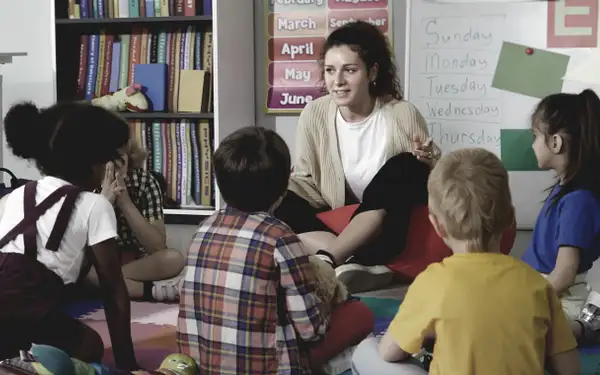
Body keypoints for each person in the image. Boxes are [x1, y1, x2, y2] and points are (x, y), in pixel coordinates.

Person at [352, 148, 580, 375]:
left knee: (367, 350)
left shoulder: (432, 282)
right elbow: (569, 369)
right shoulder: (537, 283)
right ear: (511, 218)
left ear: (437, 226)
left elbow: (390, 353)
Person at [177, 126, 374, 375]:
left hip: (202, 366)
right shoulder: (280, 237)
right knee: (360, 313)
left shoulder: (202, 230)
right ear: (283, 191)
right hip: (267, 368)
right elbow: (311, 330)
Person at [273, 20, 441, 293]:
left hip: (386, 230)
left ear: (372, 72)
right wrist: (278, 190)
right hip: (334, 222)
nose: (337, 82)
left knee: (405, 165)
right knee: (276, 195)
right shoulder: (314, 114)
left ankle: (329, 260)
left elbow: (424, 182)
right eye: (330, 71)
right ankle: (354, 261)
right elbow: (306, 183)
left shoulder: (401, 114)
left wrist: (431, 162)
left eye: (349, 70)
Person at [0, 101, 137, 369]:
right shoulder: (95, 205)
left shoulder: (17, 194)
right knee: (91, 345)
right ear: (96, 164)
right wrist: (126, 362)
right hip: (26, 311)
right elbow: (112, 287)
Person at [522, 89, 600, 320]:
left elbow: (565, 273)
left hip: (561, 298)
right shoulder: (566, 191)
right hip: (543, 287)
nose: (533, 145)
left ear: (555, 142)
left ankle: (584, 329)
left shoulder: (578, 200)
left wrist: (526, 299)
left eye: (535, 136)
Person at [83, 139, 184, 302]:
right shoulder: (84, 183)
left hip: (137, 263)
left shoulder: (145, 182)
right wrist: (104, 203)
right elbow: (78, 248)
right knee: (83, 275)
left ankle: (103, 284)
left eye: (120, 158)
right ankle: (150, 291)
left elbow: (157, 247)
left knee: (174, 258)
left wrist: (125, 202)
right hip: (97, 261)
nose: (114, 166)